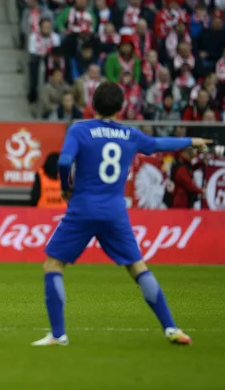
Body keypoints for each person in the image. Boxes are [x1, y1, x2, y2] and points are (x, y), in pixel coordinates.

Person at [31, 81, 212, 347]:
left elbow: (63, 161)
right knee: (138, 267)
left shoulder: (80, 129)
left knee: (53, 265)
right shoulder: (130, 135)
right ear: (121, 107)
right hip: (115, 211)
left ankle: (58, 335)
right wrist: (190, 140)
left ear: (93, 105)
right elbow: (158, 143)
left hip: (82, 208)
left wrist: (66, 188)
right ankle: (171, 328)